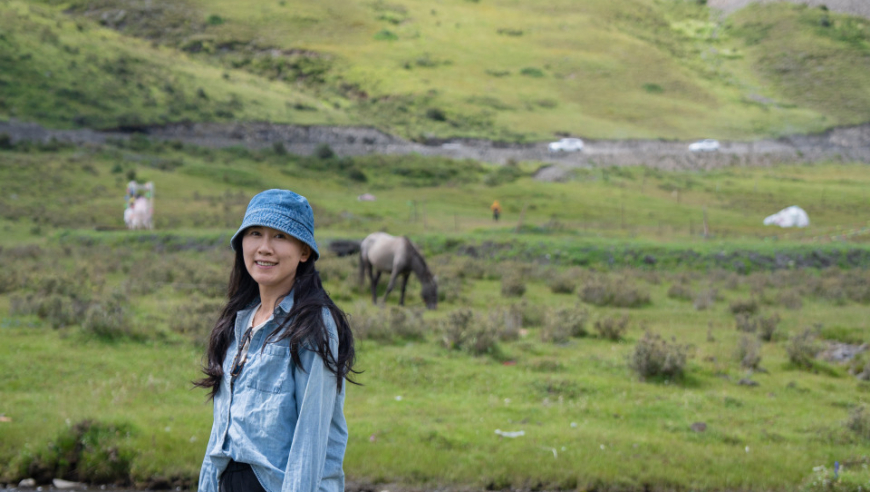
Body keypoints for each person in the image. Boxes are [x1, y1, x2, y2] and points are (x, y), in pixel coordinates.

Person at [195, 189, 357, 492]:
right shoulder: (239, 321)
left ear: (304, 251)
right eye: (255, 233)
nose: (264, 248)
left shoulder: (313, 324)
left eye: (280, 236)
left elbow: (311, 437)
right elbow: (221, 435)